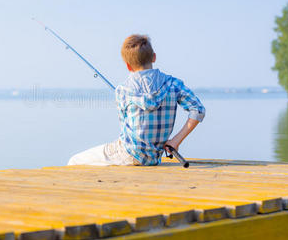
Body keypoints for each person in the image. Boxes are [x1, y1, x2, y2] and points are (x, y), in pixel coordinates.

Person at [67, 34, 205, 166]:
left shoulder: (122, 90)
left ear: (128, 65)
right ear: (154, 57)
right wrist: (176, 141)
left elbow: (124, 131)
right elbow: (198, 110)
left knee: (74, 161)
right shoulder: (173, 84)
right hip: (154, 159)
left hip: (126, 154)